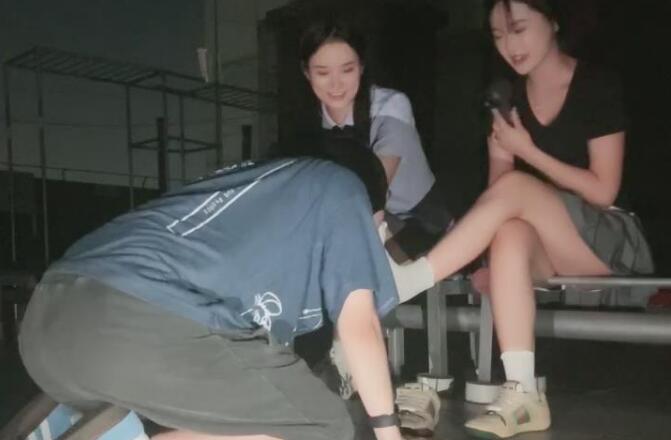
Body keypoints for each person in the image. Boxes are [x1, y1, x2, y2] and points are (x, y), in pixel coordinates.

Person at [18, 137, 418, 440]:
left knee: (261, 421)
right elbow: (359, 323)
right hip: (133, 320)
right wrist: (388, 432)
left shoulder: (254, 197)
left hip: (47, 331)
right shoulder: (342, 185)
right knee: (322, 425)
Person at [401, 0, 654, 438]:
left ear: (552, 20)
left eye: (518, 29)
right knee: (510, 232)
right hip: (550, 246)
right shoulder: (508, 100)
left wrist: (528, 151)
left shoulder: (595, 85)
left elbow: (603, 191)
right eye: (499, 35)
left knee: (518, 190)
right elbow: (498, 198)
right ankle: (523, 392)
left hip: (611, 241)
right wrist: (491, 263)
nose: (509, 46)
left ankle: (411, 280)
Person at [299, 19, 452, 258]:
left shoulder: (391, 106)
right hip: (366, 221)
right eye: (323, 73)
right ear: (307, 73)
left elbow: (375, 188)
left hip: (422, 222)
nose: (336, 84)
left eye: (347, 70)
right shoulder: (311, 124)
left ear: (361, 67)